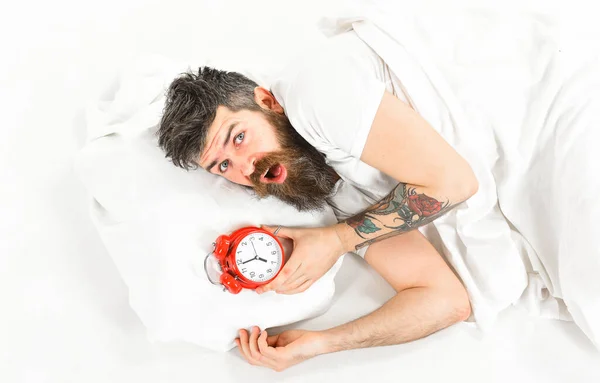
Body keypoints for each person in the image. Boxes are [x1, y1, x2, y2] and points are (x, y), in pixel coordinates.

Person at [157, 30, 479, 371]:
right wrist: (322, 343)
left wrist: (339, 240)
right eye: (223, 165)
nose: (246, 167)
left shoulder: (313, 93)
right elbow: (446, 301)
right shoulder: (336, 199)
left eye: (239, 137)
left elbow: (455, 182)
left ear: (267, 102)